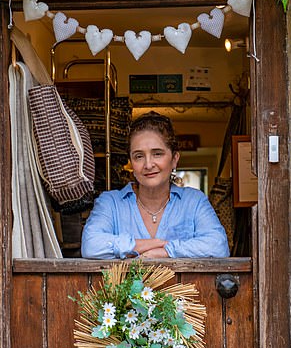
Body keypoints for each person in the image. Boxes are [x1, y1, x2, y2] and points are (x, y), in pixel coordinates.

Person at [81, 111, 230, 259]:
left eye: (157, 154)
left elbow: (218, 246)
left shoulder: (194, 201)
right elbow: (91, 246)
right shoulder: (110, 203)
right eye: (139, 156)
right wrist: (154, 243)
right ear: (131, 162)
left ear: (174, 159)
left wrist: (167, 251)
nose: (148, 164)